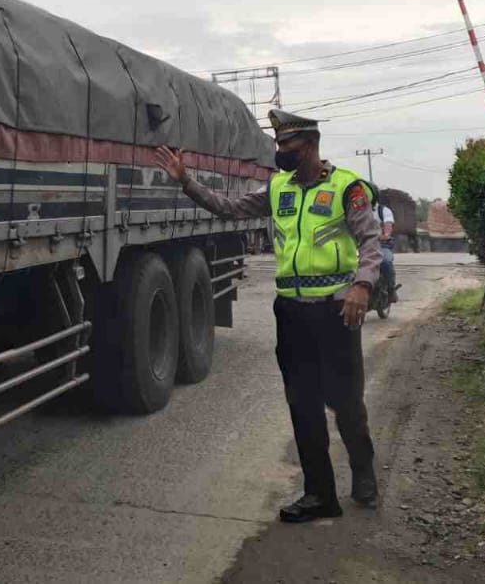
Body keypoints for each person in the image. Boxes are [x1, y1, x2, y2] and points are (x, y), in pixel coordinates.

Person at [154, 108, 383, 522]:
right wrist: (186, 182)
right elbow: (229, 208)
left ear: (309, 145)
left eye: (286, 144)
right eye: (278, 144)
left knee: (346, 403)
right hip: (291, 313)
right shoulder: (278, 187)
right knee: (303, 405)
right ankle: (320, 495)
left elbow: (370, 241)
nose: (279, 151)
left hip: (335, 312)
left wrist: (362, 286)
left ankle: (363, 473)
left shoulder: (347, 187)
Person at [373, 196, 398, 303]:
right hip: (362, 245)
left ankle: (391, 289)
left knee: (386, 261)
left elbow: (388, 224)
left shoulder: (383, 211)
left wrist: (386, 234)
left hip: (381, 245)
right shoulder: (357, 210)